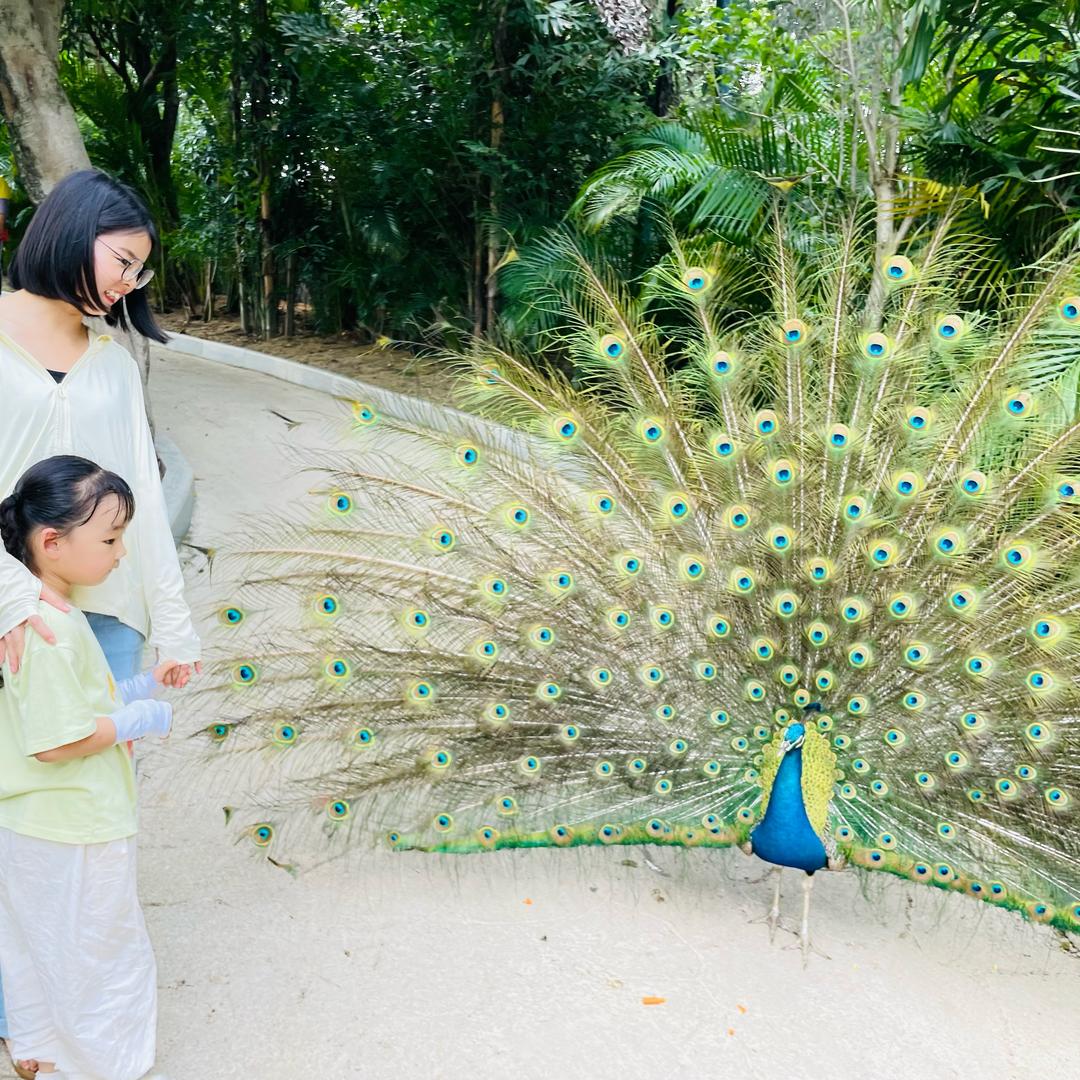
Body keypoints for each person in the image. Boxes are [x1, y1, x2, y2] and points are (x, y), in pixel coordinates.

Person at [0, 170, 201, 1077]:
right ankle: (24, 1015)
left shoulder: (115, 362)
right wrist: (12, 599)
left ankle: (68, 1018)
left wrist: (176, 627)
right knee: (16, 818)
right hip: (12, 616)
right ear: (70, 233)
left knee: (84, 826)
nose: (129, 284)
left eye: (138, 271)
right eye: (122, 261)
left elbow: (143, 507)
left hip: (106, 615)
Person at [0, 456, 179, 1078]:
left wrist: (141, 686)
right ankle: (105, 1066)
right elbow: (59, 740)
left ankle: (41, 1052)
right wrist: (141, 719)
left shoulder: (42, 615)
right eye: (110, 539)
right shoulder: (45, 630)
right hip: (75, 824)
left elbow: (78, 703)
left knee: (34, 945)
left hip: (33, 820)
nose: (121, 553)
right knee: (99, 952)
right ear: (52, 543)